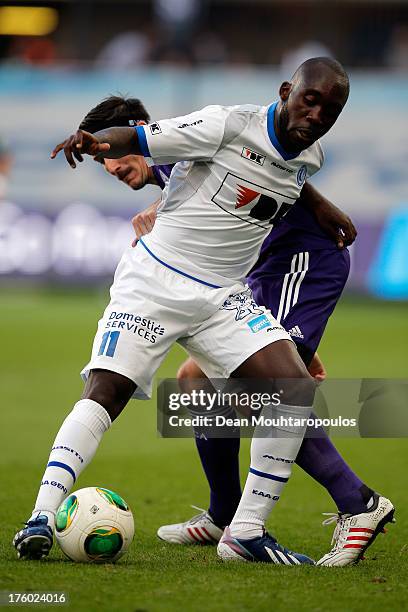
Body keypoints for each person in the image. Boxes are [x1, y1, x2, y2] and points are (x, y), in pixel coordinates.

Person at [13, 58, 394, 566]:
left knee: (289, 386)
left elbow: (283, 168)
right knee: (110, 391)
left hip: (231, 292)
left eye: (331, 107)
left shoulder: (306, 154)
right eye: (311, 99)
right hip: (155, 283)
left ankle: (248, 532)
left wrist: (320, 206)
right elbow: (141, 137)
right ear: (286, 91)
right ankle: (40, 517)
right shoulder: (223, 125)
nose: (318, 113)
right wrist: (97, 141)